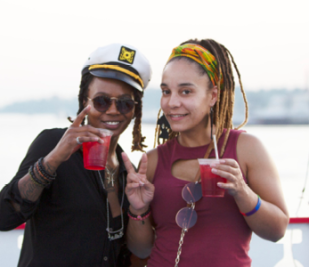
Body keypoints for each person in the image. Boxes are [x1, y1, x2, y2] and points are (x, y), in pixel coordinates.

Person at [121, 39, 289, 267]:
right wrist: (137, 209)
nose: (172, 102)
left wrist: (243, 192)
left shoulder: (247, 149)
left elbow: (277, 230)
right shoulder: (151, 161)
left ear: (213, 95)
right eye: (166, 91)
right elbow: (141, 249)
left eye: (185, 91)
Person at [0, 43, 151, 267]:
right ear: (84, 102)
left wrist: (140, 209)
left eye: (125, 103)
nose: (112, 110)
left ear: (134, 110)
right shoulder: (52, 145)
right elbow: (5, 216)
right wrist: (51, 162)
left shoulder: (128, 171)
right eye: (101, 100)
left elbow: (135, 251)